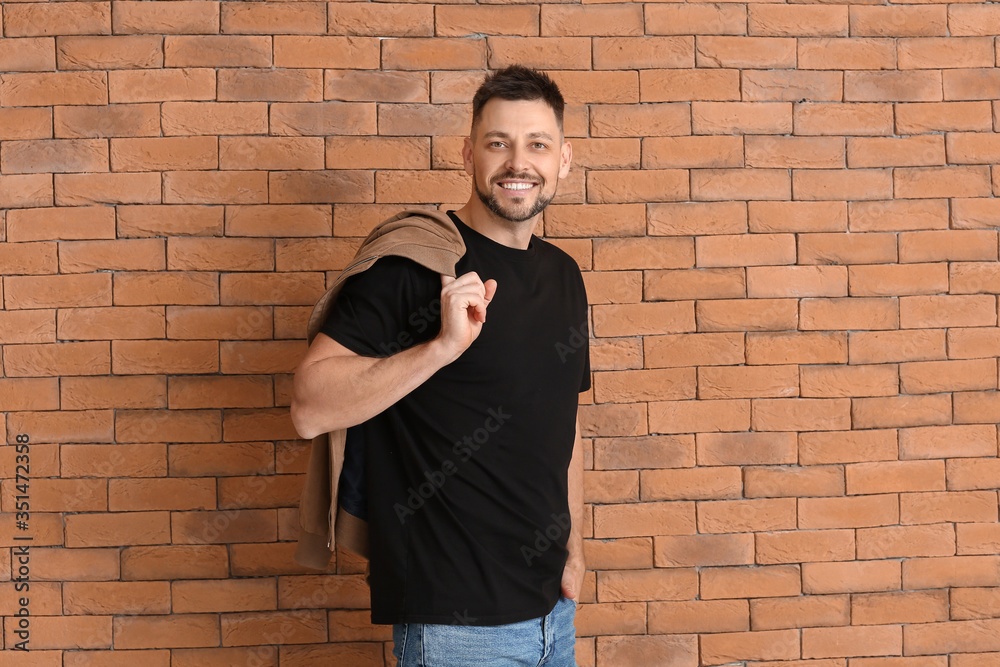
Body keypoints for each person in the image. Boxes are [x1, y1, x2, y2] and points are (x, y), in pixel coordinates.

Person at [291, 65, 590, 666]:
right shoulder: (413, 265)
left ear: (564, 159)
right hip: (455, 630)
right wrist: (439, 349)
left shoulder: (564, 276)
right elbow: (308, 407)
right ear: (467, 154)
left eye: (537, 144)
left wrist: (575, 549)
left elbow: (564, 424)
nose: (517, 162)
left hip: (552, 614)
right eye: (497, 142)